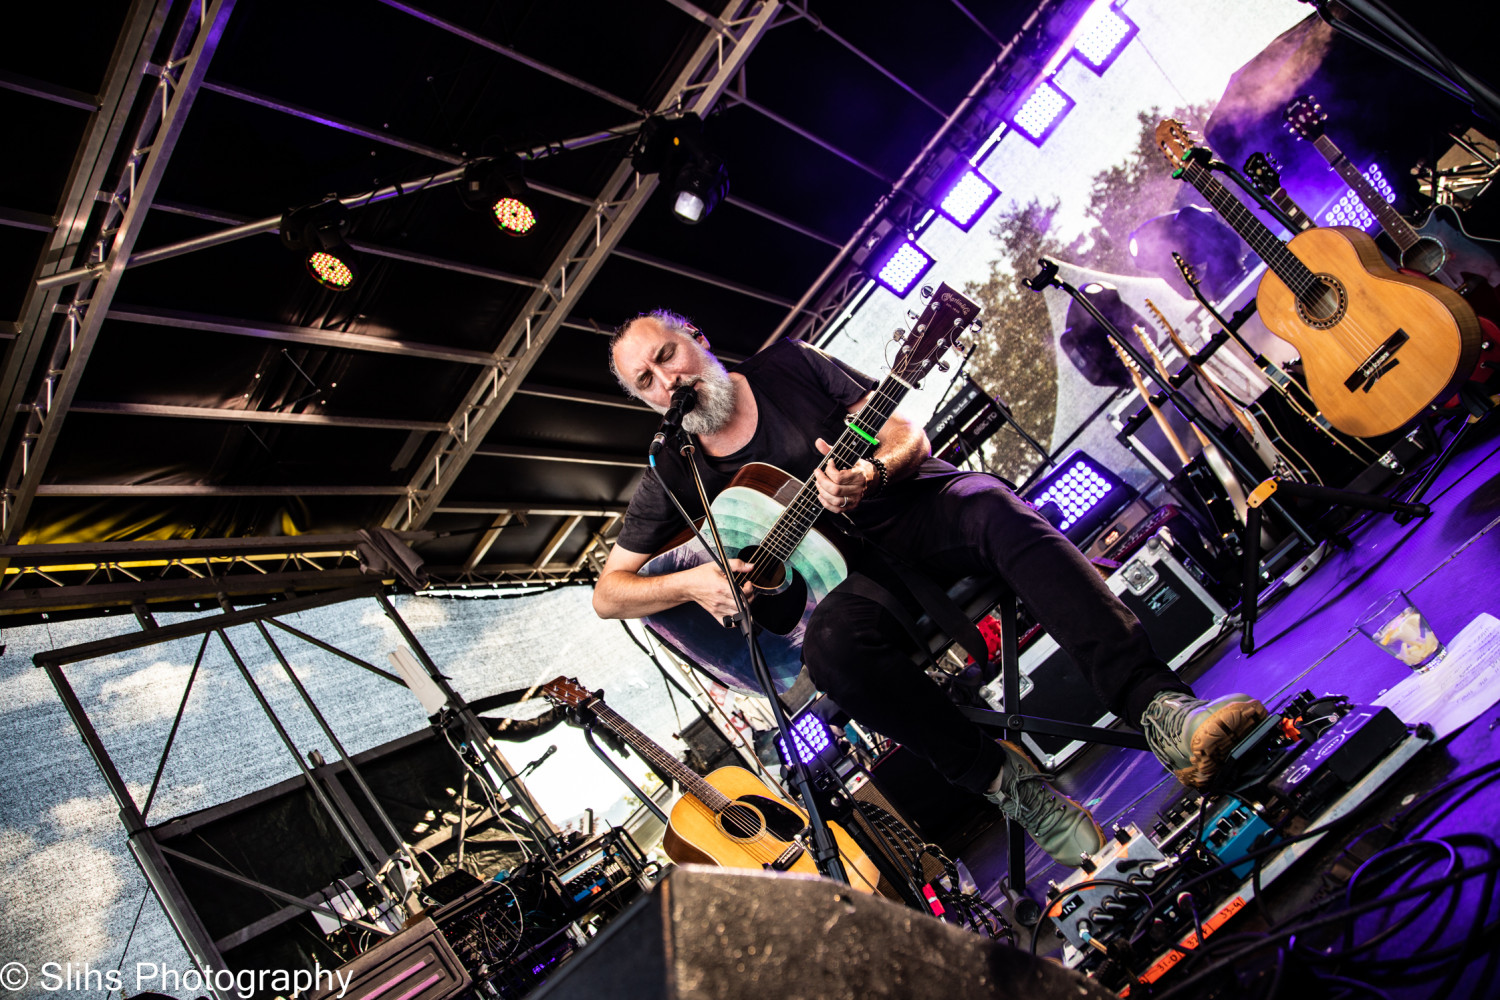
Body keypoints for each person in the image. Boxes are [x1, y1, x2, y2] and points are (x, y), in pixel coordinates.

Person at [592, 309, 1269, 868]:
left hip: (909, 512)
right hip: (849, 585)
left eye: (667, 354)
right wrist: (694, 580)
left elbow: (903, 432)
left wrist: (875, 474)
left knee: (994, 509)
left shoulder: (787, 367)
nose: (665, 380)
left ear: (699, 339)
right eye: (645, 380)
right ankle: (1008, 785)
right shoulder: (672, 469)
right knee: (830, 656)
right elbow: (609, 593)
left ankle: (1160, 710)